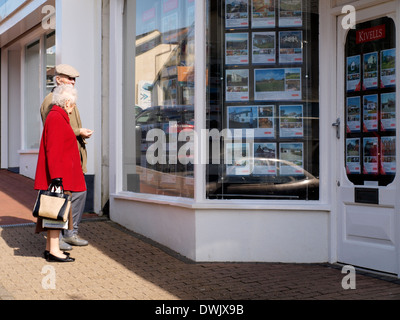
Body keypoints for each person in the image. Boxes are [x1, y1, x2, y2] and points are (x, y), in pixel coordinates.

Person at [40, 64, 93, 249]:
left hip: (73, 157)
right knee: (60, 196)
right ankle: (57, 238)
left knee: (78, 193)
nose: (72, 82)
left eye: (74, 79)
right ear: (58, 79)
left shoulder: (68, 97)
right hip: (61, 160)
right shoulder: (52, 100)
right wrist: (79, 131)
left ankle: (70, 233)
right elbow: (53, 130)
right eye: (69, 78)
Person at [34, 85, 86, 262]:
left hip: (59, 175)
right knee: (56, 212)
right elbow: (54, 150)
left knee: (53, 212)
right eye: (73, 104)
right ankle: (54, 251)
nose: (73, 108)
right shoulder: (57, 117)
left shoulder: (57, 116)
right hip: (58, 176)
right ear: (66, 102)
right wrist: (56, 177)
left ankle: (51, 248)